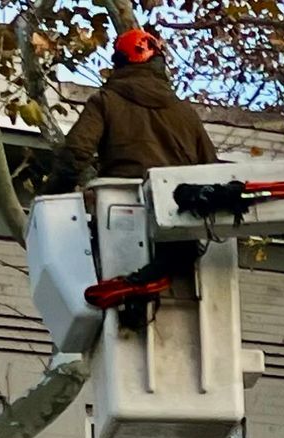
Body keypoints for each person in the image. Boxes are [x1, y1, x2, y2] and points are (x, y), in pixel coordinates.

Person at [57, 28, 220, 307]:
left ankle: (135, 293)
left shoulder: (106, 101)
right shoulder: (184, 112)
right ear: (158, 63)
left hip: (120, 214)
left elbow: (76, 152)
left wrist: (53, 194)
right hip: (178, 222)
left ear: (118, 64)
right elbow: (212, 169)